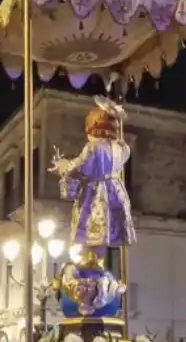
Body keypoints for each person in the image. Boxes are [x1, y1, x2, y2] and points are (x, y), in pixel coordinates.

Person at [49, 96, 136, 268]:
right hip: (114, 190)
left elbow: (79, 166)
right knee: (103, 236)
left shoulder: (93, 147)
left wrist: (63, 166)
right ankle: (98, 264)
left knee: (90, 233)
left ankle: (90, 267)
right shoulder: (123, 148)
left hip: (95, 193)